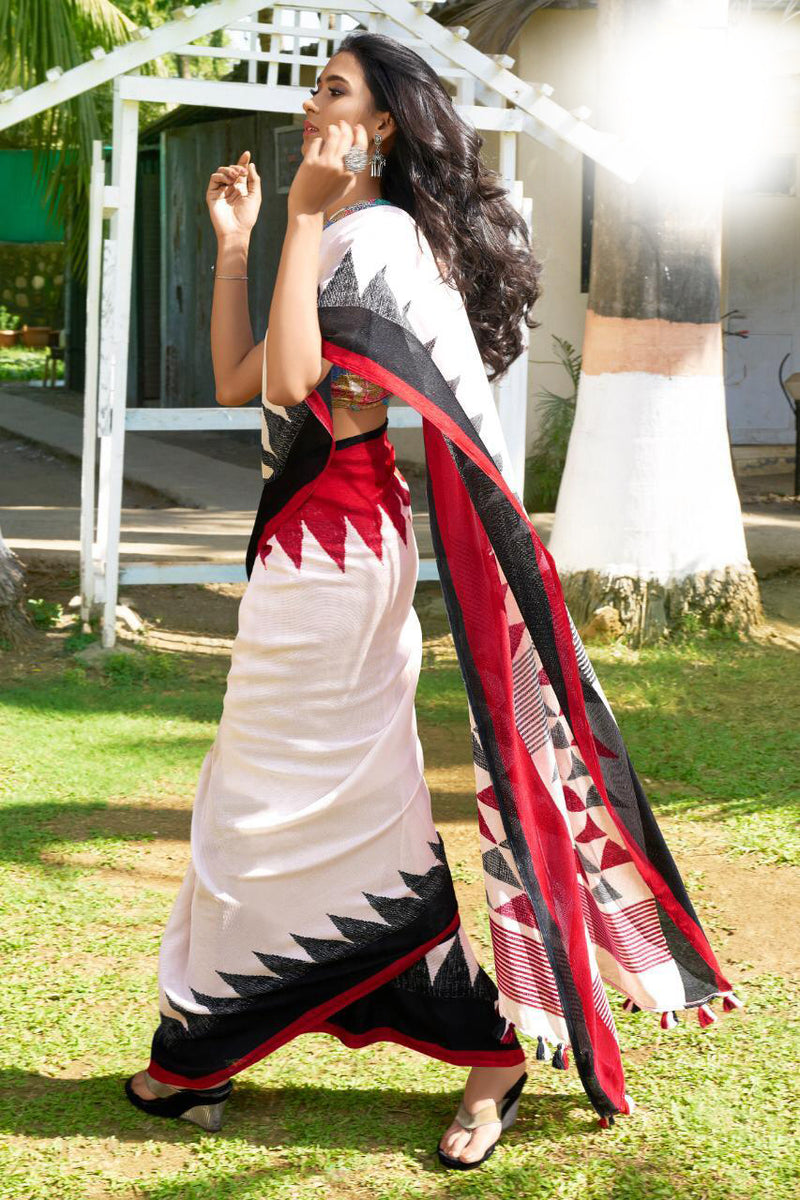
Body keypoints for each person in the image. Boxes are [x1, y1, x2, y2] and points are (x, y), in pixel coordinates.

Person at [124, 31, 742, 1170]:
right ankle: (222, 1039)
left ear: (386, 123)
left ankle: (461, 1043)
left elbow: (304, 387)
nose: (313, 105)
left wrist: (304, 220)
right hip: (293, 558)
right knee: (257, 804)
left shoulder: (379, 239)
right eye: (314, 87)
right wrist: (237, 247)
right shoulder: (335, 229)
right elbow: (242, 386)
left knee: (284, 802)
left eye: (336, 90)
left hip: (343, 556)